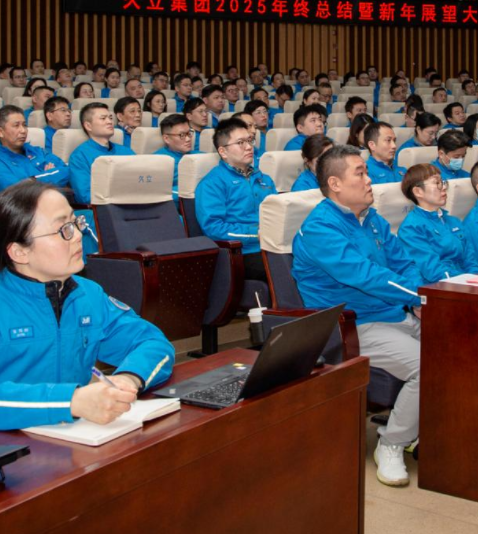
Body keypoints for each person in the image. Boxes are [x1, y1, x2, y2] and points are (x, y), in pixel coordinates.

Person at [0, 181, 174, 439]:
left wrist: (128, 378)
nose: (79, 236)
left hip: (65, 441)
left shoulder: (87, 295)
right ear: (19, 252)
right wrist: (70, 401)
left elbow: (153, 342)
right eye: (63, 230)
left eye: (76, 223)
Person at [291, 145, 424, 487]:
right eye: (360, 173)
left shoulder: (372, 219)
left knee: (463, 345)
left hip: (393, 313)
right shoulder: (321, 228)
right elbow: (365, 275)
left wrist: (418, 298)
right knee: (426, 365)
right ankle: (391, 443)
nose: (369, 180)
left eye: (367, 172)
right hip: (353, 325)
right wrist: (418, 297)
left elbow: (404, 263)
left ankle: (415, 426)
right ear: (335, 184)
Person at [195, 119, 276, 281]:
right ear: (223, 152)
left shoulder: (264, 178)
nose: (249, 147)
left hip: (272, 245)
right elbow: (213, 227)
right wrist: (256, 233)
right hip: (241, 252)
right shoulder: (212, 183)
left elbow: (277, 214)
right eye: (240, 143)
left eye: (249, 140)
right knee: (283, 269)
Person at [396, 163, 476, 282]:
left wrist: (475, 279)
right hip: (442, 286)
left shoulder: (454, 221)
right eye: (437, 183)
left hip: (466, 283)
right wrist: (467, 282)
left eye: (443, 182)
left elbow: (471, 260)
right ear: (418, 191)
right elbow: (433, 270)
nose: (443, 187)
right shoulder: (411, 228)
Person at [0, 105, 69, 198]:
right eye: (16, 125)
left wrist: (32, 180)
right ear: (0, 132)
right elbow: (18, 193)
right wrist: (50, 176)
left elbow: (67, 171)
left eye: (24, 125)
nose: (23, 130)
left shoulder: (38, 151)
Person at [68, 102, 134, 205]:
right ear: (88, 126)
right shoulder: (79, 156)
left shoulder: (127, 152)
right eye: (103, 118)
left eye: (110, 118)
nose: (109, 122)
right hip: (105, 208)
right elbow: (84, 195)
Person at [154, 114, 197, 194]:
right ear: (166, 139)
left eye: (189, 133)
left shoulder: (199, 155)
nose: (188, 139)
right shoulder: (159, 162)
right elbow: (159, 193)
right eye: (182, 135)